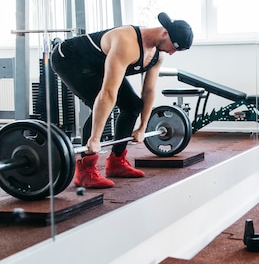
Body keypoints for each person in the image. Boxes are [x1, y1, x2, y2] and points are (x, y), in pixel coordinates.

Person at [50, 13, 194, 188]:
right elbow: (108, 93)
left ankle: (117, 162)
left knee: (133, 106)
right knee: (101, 103)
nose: (171, 53)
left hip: (99, 65)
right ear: (165, 33)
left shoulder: (158, 54)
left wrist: (142, 127)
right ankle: (85, 170)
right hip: (71, 59)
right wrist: (95, 139)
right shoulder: (127, 42)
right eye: (174, 47)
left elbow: (148, 91)